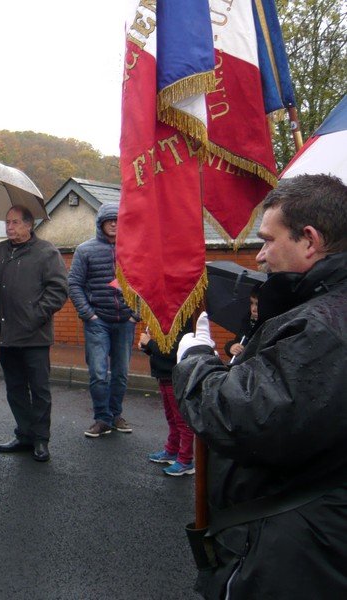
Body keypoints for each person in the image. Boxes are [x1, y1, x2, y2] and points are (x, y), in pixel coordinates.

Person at [174, 174, 347, 598]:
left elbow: (244, 417)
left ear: (309, 240)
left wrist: (194, 363)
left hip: (296, 549)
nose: (262, 257)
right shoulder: (318, 310)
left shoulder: (323, 325)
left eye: (268, 240)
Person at [0, 206, 68, 463]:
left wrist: (34, 316)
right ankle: (24, 434)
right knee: (15, 388)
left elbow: (57, 291)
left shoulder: (46, 252)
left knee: (40, 389)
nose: (9, 227)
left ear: (29, 225)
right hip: (6, 335)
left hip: (34, 336)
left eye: (14, 223)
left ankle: (41, 439)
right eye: (7, 222)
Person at [68, 203, 138, 437]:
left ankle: (115, 414)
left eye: (118, 220)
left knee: (121, 373)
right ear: (100, 223)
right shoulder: (85, 250)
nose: (114, 224)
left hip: (125, 321)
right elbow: (74, 284)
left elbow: (144, 283)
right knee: (98, 373)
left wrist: (135, 315)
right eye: (109, 220)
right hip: (97, 321)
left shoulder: (133, 249)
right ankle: (102, 418)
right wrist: (89, 314)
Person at [139, 324, 194, 476]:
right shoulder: (167, 323)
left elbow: (173, 351)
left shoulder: (184, 324)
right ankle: (172, 450)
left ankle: (186, 459)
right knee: (172, 418)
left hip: (174, 377)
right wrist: (147, 347)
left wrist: (150, 343)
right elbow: (161, 350)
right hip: (163, 375)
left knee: (181, 420)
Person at [223, 285, 259, 360]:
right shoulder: (247, 322)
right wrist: (231, 347)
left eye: (257, 304)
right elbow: (238, 341)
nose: (253, 309)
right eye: (251, 303)